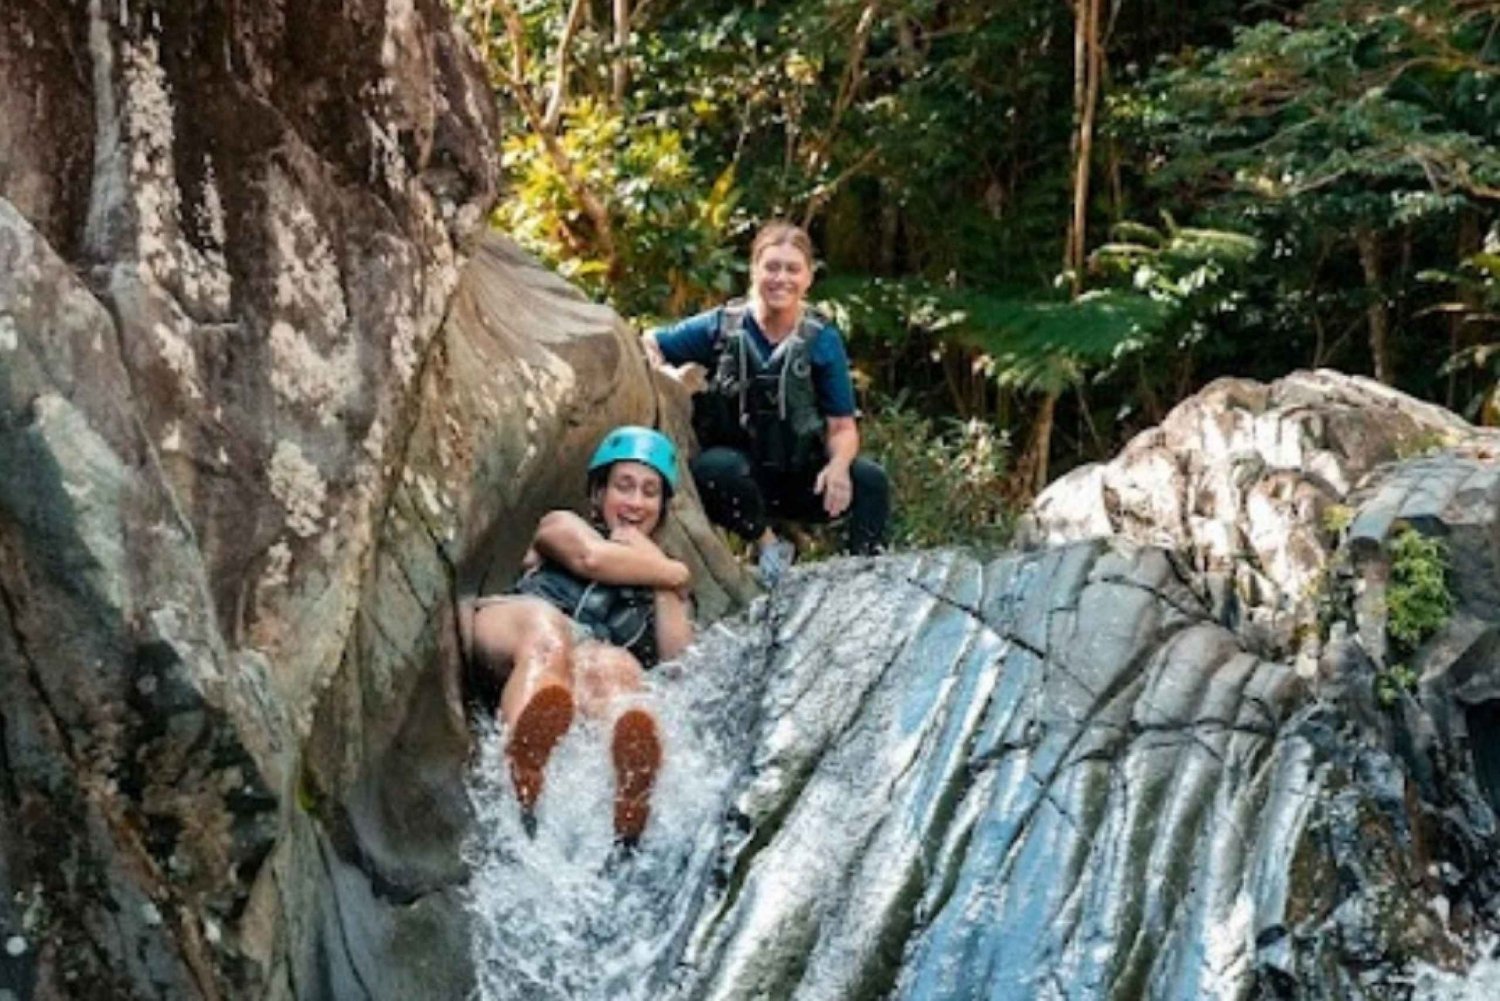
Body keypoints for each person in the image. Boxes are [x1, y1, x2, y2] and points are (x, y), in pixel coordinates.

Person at [461, 426, 693, 847]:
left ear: (662, 506)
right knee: (548, 631)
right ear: (598, 492)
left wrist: (659, 573)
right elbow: (592, 558)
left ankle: (631, 789)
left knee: (616, 666)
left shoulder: (663, 585)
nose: (636, 503)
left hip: (577, 671)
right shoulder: (561, 523)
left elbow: (680, 663)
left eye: (649, 492)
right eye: (624, 487)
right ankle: (522, 760)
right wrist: (675, 571)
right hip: (515, 629)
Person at [644, 220, 890, 585]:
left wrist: (838, 466)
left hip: (801, 473)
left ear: (807, 278)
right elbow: (649, 341)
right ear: (754, 270)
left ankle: (866, 580)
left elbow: (842, 426)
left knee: (870, 481)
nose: (781, 279)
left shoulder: (822, 339)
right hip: (739, 479)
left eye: (792, 269)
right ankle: (770, 546)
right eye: (771, 267)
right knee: (713, 469)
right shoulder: (721, 326)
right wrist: (669, 378)